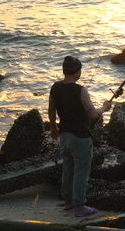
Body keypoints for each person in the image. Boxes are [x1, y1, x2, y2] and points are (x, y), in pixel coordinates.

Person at [48, 56, 112, 217]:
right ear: (77, 72)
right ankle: (79, 206)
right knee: (81, 171)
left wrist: (53, 127)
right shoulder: (80, 90)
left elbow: (51, 110)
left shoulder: (55, 87)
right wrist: (104, 108)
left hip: (65, 136)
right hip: (80, 138)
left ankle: (68, 202)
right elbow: (91, 114)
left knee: (68, 169)